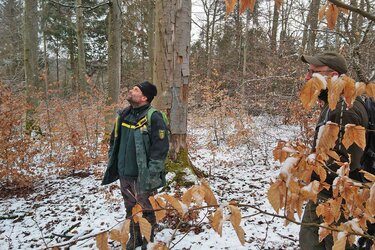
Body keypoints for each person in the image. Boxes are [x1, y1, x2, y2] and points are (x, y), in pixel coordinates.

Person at [299, 51, 368, 249]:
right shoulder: (337, 101)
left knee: (320, 242)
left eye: (314, 73)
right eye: (308, 72)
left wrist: (313, 175)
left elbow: (342, 166)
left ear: (334, 76)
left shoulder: (343, 109)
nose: (307, 78)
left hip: (334, 197)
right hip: (331, 194)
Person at [102, 81, 169, 250]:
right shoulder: (124, 114)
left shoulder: (154, 117)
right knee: (130, 207)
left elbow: (160, 148)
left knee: (146, 208)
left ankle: (148, 238)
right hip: (124, 172)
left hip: (143, 174)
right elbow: (114, 139)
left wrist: (152, 173)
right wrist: (113, 159)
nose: (131, 91)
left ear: (144, 97)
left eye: (135, 89)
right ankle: (135, 237)